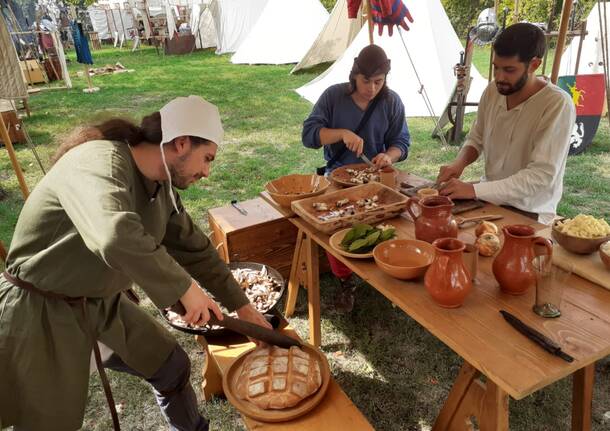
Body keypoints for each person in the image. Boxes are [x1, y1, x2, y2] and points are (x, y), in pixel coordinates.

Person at [0, 96, 271, 431]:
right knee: (47, 421)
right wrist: (184, 289)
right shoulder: (95, 161)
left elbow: (195, 248)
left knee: (170, 365)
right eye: (207, 158)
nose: (207, 171)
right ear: (182, 142)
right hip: (40, 312)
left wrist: (241, 305)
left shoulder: (160, 188)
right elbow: (114, 234)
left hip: (99, 304)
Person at [302, 44, 411, 311]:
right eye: (366, 81)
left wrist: (389, 156)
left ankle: (387, 271)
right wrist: (341, 133)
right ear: (354, 74)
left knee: (399, 220)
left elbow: (402, 141)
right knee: (334, 226)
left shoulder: (391, 101)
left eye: (378, 82)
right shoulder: (333, 96)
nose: (371, 88)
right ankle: (345, 279)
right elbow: (309, 135)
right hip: (337, 176)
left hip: (377, 178)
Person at [437, 23, 575, 224]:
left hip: (530, 211)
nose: (499, 77)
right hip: (488, 200)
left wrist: (473, 189)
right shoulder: (493, 91)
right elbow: (476, 138)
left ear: (534, 65)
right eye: (496, 67)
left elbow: (540, 177)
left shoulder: (557, 104)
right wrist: (458, 164)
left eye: (509, 70)